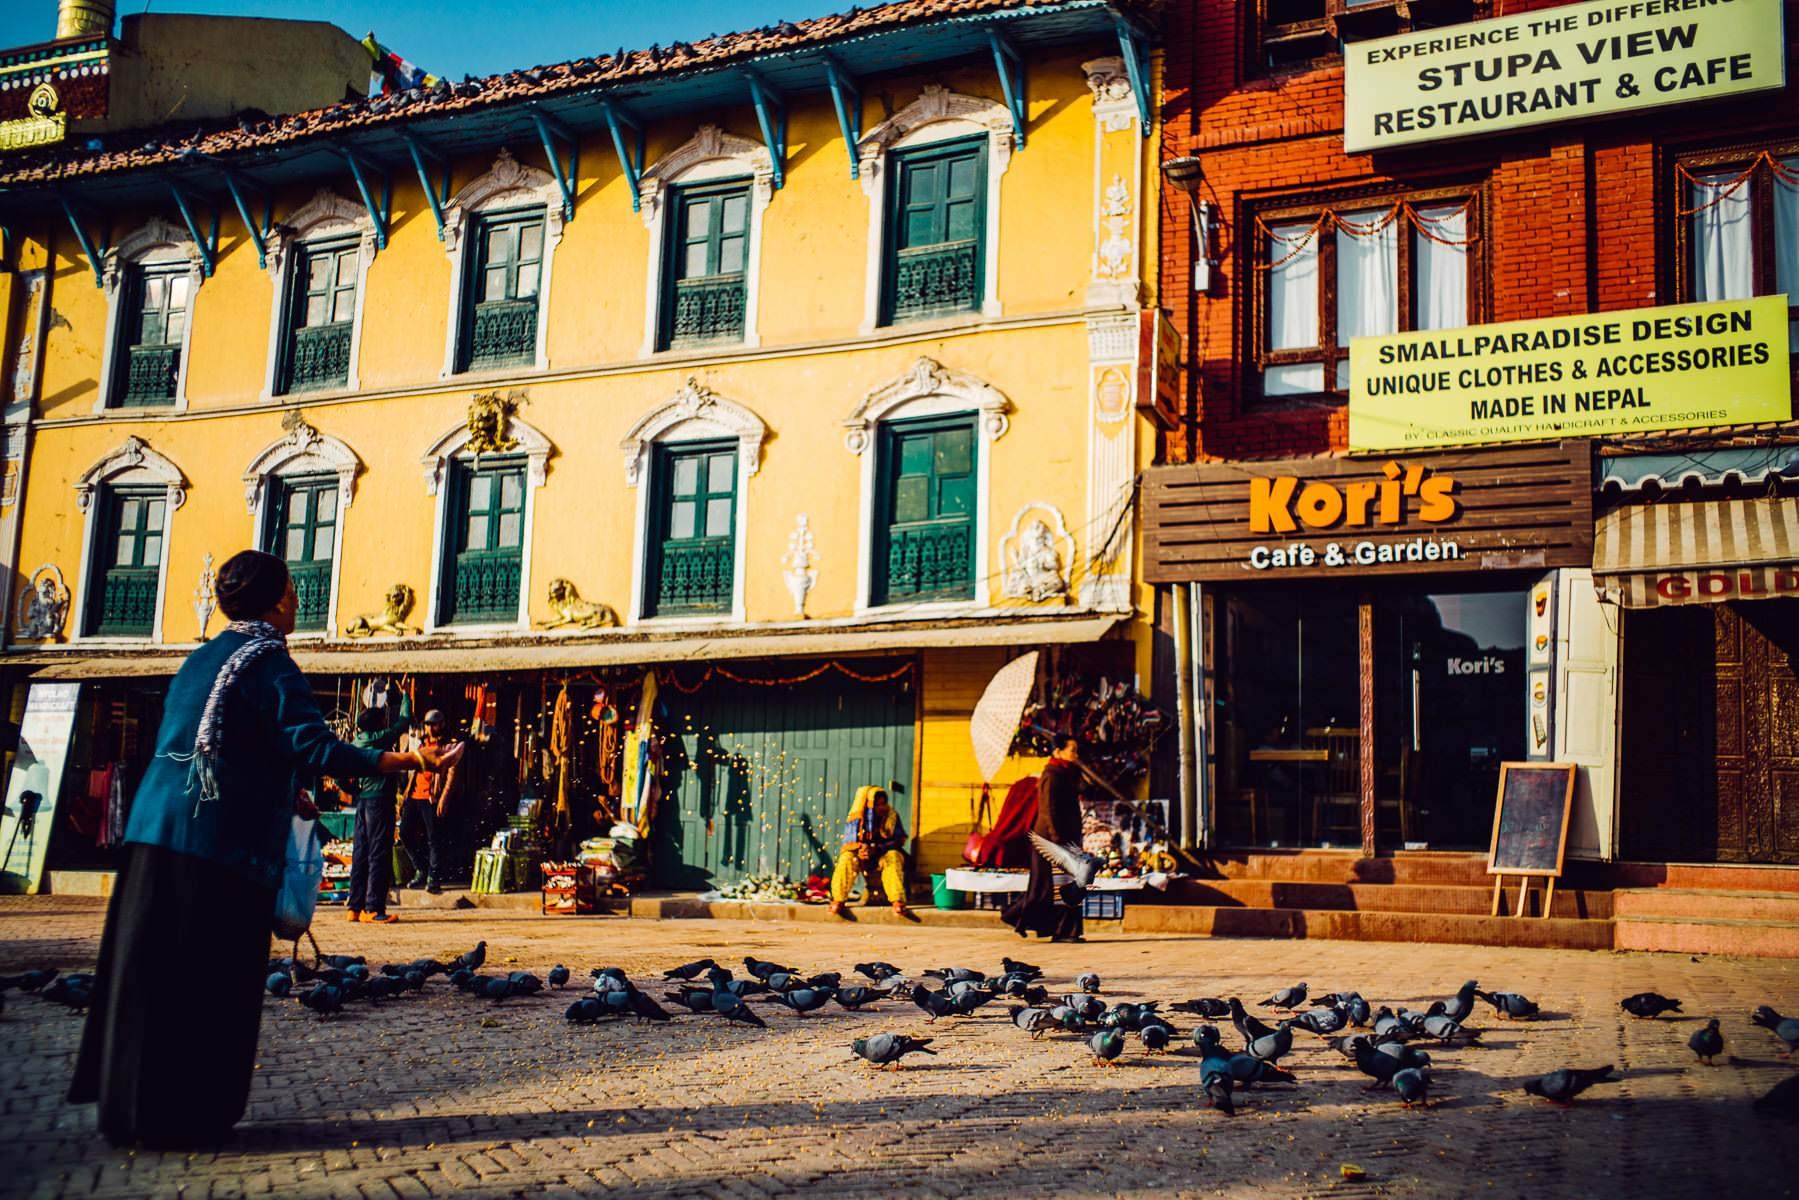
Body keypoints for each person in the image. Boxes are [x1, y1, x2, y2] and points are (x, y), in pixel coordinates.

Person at [70, 550, 456, 1148]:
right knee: (205, 977)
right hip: (216, 847)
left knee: (153, 974)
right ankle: (185, 1113)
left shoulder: (202, 656)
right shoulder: (270, 663)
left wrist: (292, 794)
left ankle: (134, 1109)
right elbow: (315, 745)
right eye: (294, 592)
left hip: (155, 833)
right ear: (276, 601)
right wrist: (406, 758)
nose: (299, 602)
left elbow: (230, 742)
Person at [1003, 734, 1087, 943]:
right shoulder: (1052, 775)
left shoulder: (1068, 773)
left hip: (1067, 838)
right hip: (1052, 839)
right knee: (1059, 885)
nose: (1075, 754)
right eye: (1072, 750)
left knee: (1061, 884)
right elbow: (1048, 809)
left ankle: (1020, 917)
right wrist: (1056, 840)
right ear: (1058, 752)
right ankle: (1062, 931)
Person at [346, 689, 412, 923]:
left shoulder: (355, 742)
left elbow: (338, 773)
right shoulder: (379, 738)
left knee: (360, 853)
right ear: (378, 724)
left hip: (363, 801)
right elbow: (403, 723)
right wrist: (405, 697)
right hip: (379, 800)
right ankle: (374, 908)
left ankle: (354, 907)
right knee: (379, 853)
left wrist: (351, 790)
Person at [399, 709, 460, 893]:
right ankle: (421, 869)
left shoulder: (448, 745)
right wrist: (405, 795)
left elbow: (452, 773)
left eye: (433, 724)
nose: (430, 727)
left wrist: (444, 796)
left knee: (434, 838)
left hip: (432, 796)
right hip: (414, 794)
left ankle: (433, 876)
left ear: (441, 724)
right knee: (405, 832)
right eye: (428, 724)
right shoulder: (422, 743)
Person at [828, 785, 909, 917]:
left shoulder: (891, 815)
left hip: (883, 854)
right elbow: (848, 844)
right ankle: (838, 900)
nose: (882, 807)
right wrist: (860, 850)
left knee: (893, 856)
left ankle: (897, 901)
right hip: (862, 856)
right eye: (877, 804)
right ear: (868, 804)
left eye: (884, 803)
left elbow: (899, 840)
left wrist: (878, 848)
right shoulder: (856, 818)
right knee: (847, 858)